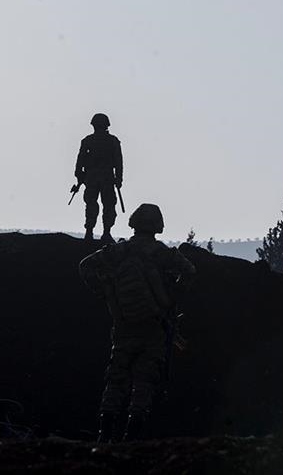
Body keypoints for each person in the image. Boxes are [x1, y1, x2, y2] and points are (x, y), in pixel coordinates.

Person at [79, 204, 196, 442]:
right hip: (154, 328)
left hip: (124, 326)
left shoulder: (118, 252)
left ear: (134, 222)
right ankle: (131, 439)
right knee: (144, 383)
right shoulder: (161, 253)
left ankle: (105, 436)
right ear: (157, 225)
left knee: (115, 380)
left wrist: (106, 292)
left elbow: (85, 266)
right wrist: (171, 296)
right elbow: (189, 271)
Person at [74, 113, 123, 242]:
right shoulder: (110, 141)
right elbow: (118, 162)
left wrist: (79, 176)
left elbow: (118, 162)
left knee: (101, 205)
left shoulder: (90, 141)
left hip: (98, 178)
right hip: (99, 178)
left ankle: (96, 232)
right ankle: (97, 232)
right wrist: (118, 178)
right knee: (102, 205)